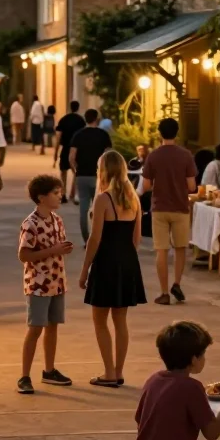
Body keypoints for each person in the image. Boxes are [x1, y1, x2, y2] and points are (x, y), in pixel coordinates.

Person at [79, 150, 146, 387]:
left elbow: (94, 239)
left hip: (106, 262)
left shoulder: (103, 199)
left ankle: (108, 372)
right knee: (121, 320)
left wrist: (85, 268)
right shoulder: (133, 199)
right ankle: (118, 371)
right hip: (127, 261)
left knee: (99, 320)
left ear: (104, 171)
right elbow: (136, 239)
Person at [17, 174, 74, 394]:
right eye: (55, 193)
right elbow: (24, 255)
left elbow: (56, 247)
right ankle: (24, 376)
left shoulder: (56, 220)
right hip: (38, 285)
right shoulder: (30, 224)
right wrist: (54, 251)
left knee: (52, 327)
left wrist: (62, 249)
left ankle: (49, 370)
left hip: (57, 282)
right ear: (41, 197)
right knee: (35, 328)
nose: (60, 196)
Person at [140, 117, 197, 305]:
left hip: (159, 208)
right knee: (180, 248)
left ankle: (164, 292)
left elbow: (146, 185)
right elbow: (191, 186)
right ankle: (177, 283)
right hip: (180, 207)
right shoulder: (186, 155)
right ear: (177, 132)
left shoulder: (153, 156)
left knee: (161, 250)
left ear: (160, 133)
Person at [68, 108, 112, 243]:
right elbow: (109, 156)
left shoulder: (78, 135)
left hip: (82, 175)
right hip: (99, 176)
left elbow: (71, 157)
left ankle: (86, 238)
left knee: (83, 207)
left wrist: (76, 170)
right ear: (97, 119)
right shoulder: (103, 135)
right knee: (100, 209)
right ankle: (99, 237)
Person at [54, 101, 85, 203]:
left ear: (69, 107)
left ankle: (63, 194)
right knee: (76, 171)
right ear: (78, 107)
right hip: (76, 149)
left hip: (65, 148)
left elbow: (58, 137)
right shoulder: (81, 121)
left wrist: (55, 152)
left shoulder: (64, 120)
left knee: (63, 171)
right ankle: (73, 193)